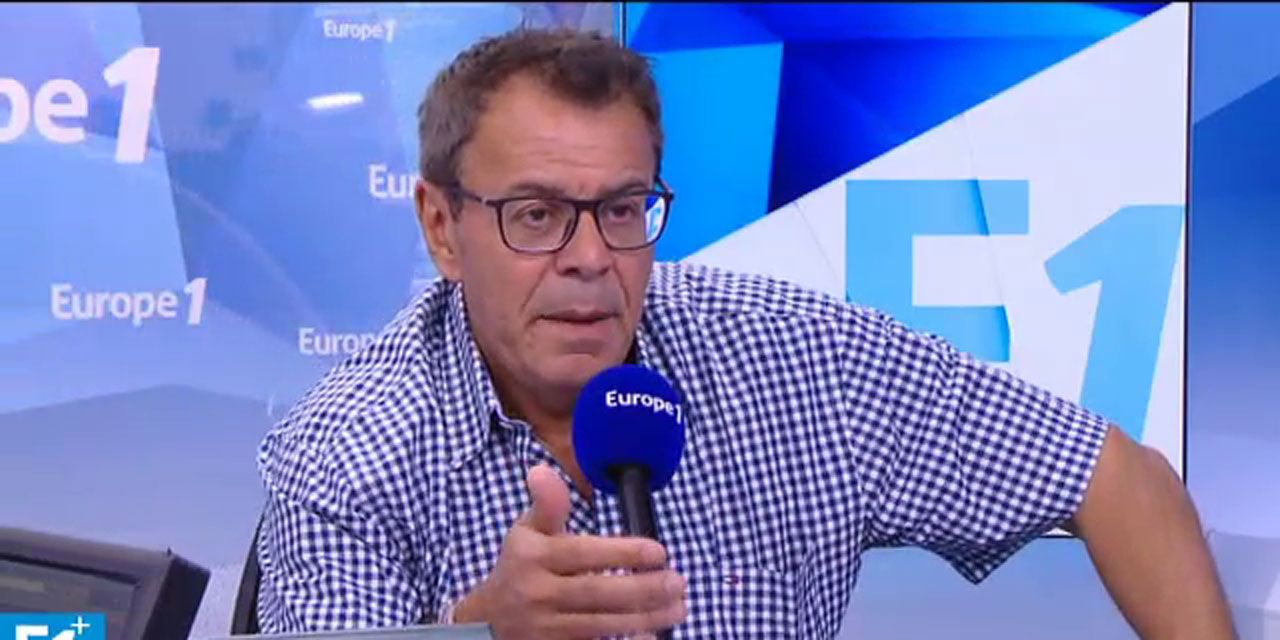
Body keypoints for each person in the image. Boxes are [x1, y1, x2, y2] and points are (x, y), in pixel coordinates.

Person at [254, 27, 1235, 639]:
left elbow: (1116, 477)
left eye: (623, 208)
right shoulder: (347, 451)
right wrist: (483, 630)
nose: (591, 258)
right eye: (538, 215)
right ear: (441, 227)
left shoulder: (795, 360)